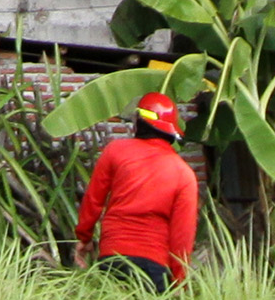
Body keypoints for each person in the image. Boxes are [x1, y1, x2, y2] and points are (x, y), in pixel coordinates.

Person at [74, 92, 201, 288]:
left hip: (112, 258)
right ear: (170, 132)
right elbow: (182, 235)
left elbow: (93, 200)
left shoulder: (115, 151)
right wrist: (179, 280)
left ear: (138, 123)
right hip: (154, 266)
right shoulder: (184, 174)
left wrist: (84, 237)